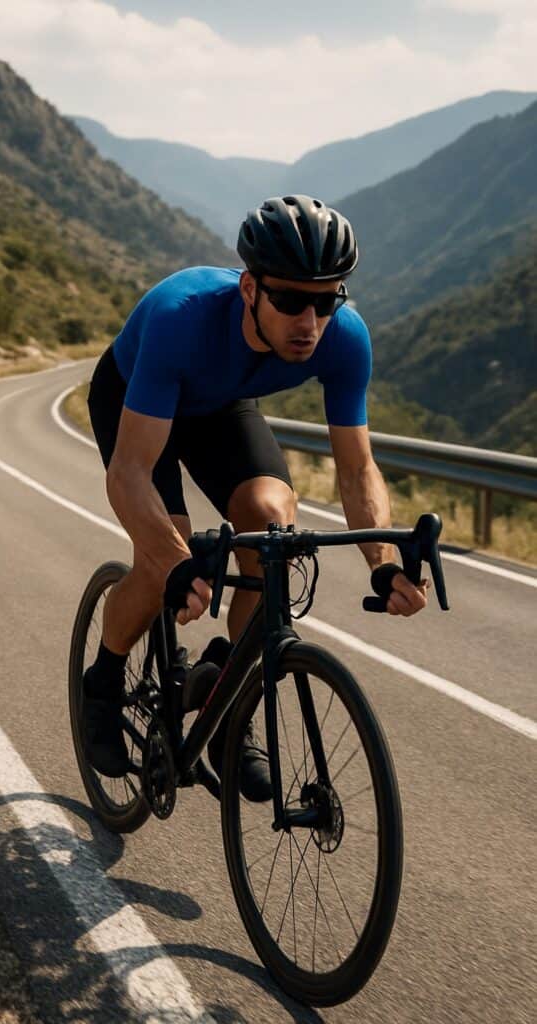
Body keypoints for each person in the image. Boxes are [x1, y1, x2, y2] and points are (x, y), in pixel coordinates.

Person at [82, 194, 428, 800]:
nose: (309, 322)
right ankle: (104, 681)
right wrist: (177, 560)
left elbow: (356, 468)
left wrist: (382, 561)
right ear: (249, 289)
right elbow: (129, 475)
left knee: (274, 531)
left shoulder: (344, 339)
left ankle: (228, 704)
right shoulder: (179, 317)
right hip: (138, 398)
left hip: (220, 408)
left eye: (326, 301)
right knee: (169, 547)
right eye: (290, 300)